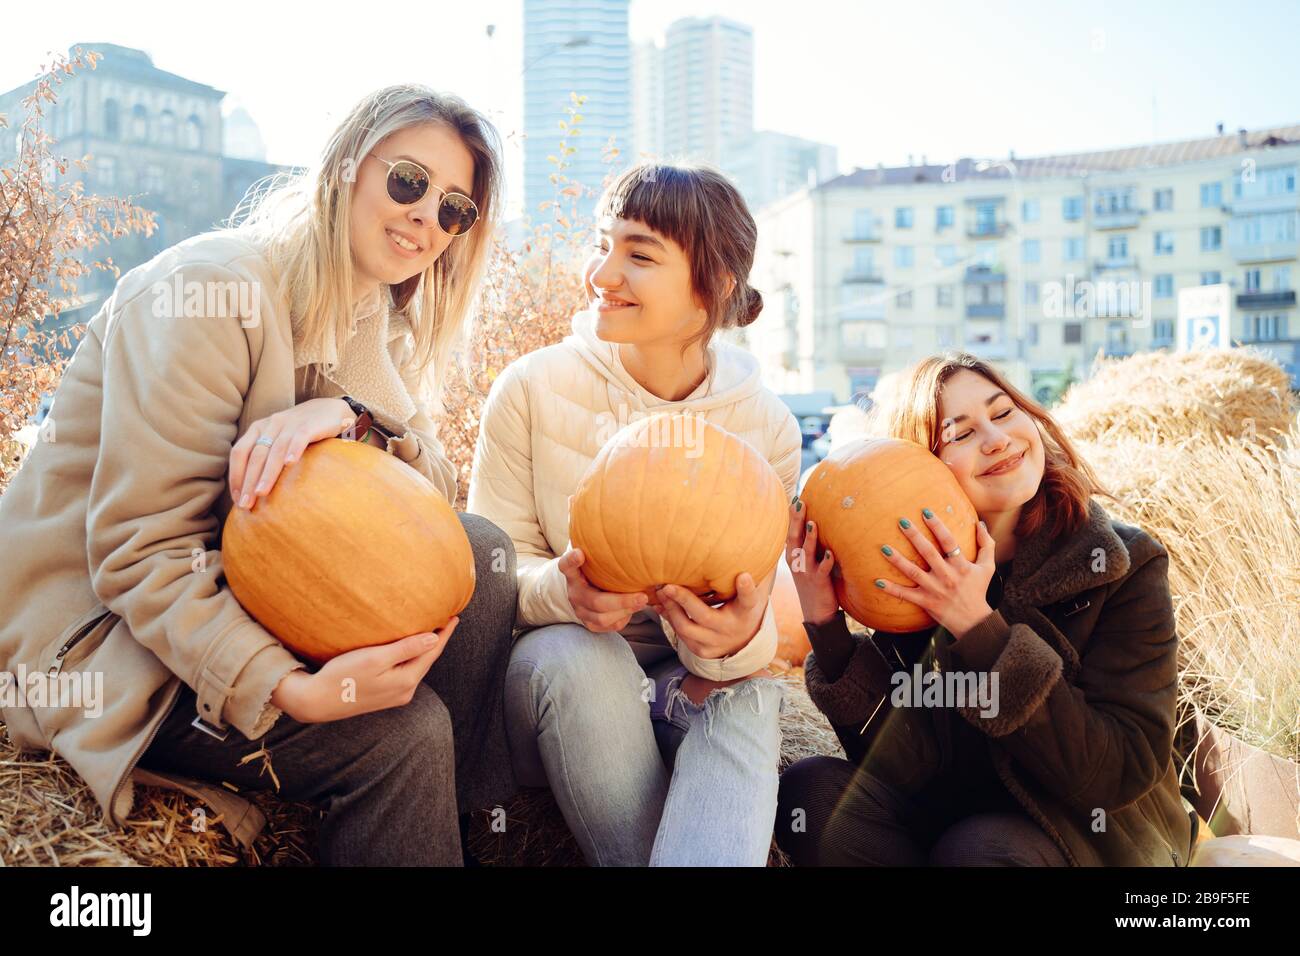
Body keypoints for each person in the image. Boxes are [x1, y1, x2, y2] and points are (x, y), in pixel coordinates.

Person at [0, 85, 518, 865]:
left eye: (454, 209)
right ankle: (409, 797)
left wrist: (349, 415)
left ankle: (469, 838)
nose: (425, 218)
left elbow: (431, 494)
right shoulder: (212, 294)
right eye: (408, 181)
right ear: (346, 165)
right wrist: (292, 690)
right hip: (110, 647)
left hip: (242, 593)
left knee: (478, 552)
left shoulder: (362, 314)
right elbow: (140, 559)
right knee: (404, 737)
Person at [468, 162, 802, 866]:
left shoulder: (767, 428)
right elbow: (489, 570)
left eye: (639, 255)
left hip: (676, 686)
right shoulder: (531, 388)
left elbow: (755, 608)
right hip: (552, 683)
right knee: (581, 657)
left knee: (753, 699)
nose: (601, 273)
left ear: (712, 288)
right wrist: (562, 591)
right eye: (602, 244)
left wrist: (738, 637)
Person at [776, 352, 1196, 866]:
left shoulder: (1121, 564)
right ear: (920, 467)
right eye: (960, 433)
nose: (996, 439)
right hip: (956, 830)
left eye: (1002, 413)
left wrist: (979, 629)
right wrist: (827, 629)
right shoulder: (913, 572)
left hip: (1091, 837)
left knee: (979, 848)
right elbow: (908, 771)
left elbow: (1117, 773)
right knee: (811, 794)